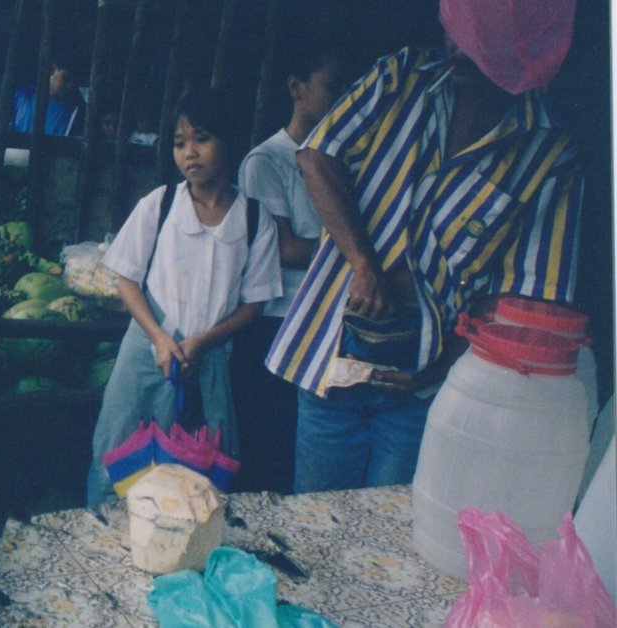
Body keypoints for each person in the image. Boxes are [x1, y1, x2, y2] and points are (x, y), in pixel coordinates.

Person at [266, 0, 582, 493]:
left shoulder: (549, 155)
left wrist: (438, 368)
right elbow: (317, 158)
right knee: (316, 520)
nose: (457, 48)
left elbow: (522, 296)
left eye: (480, 41)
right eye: (458, 31)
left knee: (387, 533)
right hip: (332, 356)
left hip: (422, 384)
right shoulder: (403, 76)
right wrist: (363, 266)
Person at [87, 88, 282, 505]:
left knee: (201, 470)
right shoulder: (159, 206)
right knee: (118, 457)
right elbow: (127, 281)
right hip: (145, 353)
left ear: (230, 142)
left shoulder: (253, 218)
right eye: (179, 143)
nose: (189, 153)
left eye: (202, 139)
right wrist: (159, 337)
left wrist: (201, 343)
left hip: (209, 359)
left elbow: (254, 305)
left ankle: (182, 548)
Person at [232, 44, 351, 494]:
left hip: (326, 322)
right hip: (277, 324)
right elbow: (283, 248)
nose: (343, 99)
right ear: (295, 88)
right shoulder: (267, 161)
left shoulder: (343, 163)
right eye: (333, 87)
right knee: (270, 452)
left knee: (302, 453)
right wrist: (356, 246)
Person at [10, 53, 85, 136]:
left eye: (75, 81)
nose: (71, 85)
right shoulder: (21, 96)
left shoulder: (75, 112)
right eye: (66, 78)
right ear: (52, 70)